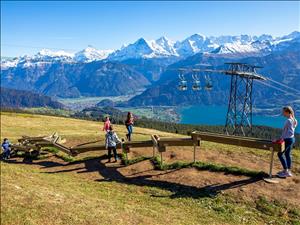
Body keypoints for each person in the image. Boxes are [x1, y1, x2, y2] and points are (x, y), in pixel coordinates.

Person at [277, 106, 298, 178]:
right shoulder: (294, 120)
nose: (283, 114)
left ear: (287, 112)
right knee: (287, 155)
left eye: (283, 112)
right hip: (292, 139)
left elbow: (284, 132)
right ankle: (288, 171)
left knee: (279, 154)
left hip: (287, 140)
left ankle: (286, 170)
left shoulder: (288, 121)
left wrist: (280, 139)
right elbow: (290, 132)